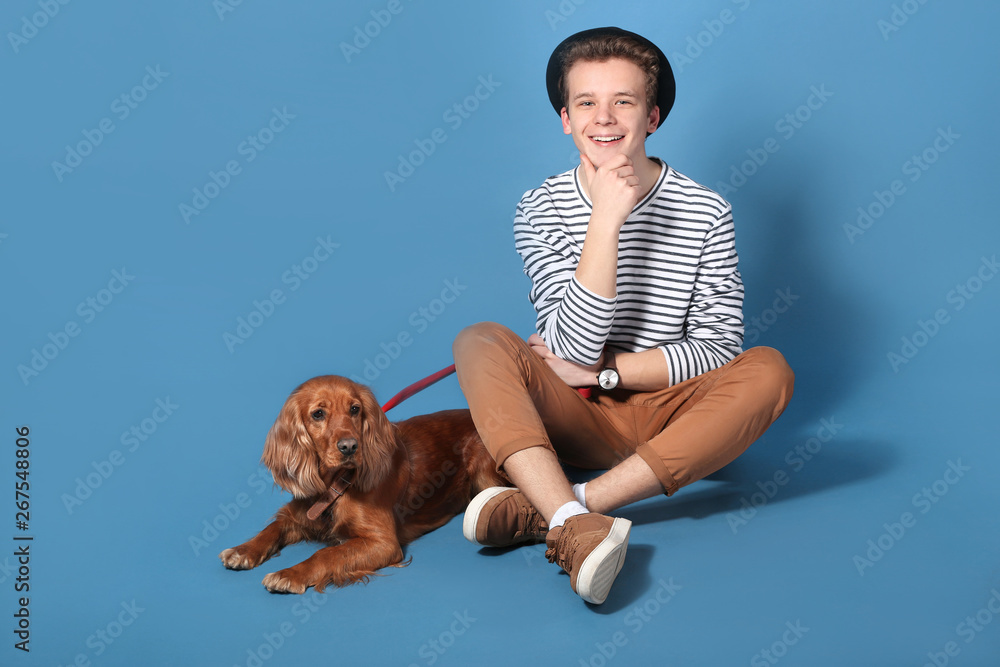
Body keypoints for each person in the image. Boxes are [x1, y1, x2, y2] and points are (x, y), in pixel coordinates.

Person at [452, 27, 794, 605]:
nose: (603, 118)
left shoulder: (705, 210)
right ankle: (570, 515)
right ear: (565, 117)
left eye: (624, 102)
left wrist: (604, 373)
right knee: (479, 340)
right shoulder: (540, 208)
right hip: (578, 420)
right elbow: (572, 347)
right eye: (586, 102)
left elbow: (717, 349)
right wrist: (607, 218)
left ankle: (566, 513)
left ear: (653, 116)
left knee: (770, 371)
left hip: (674, 418)